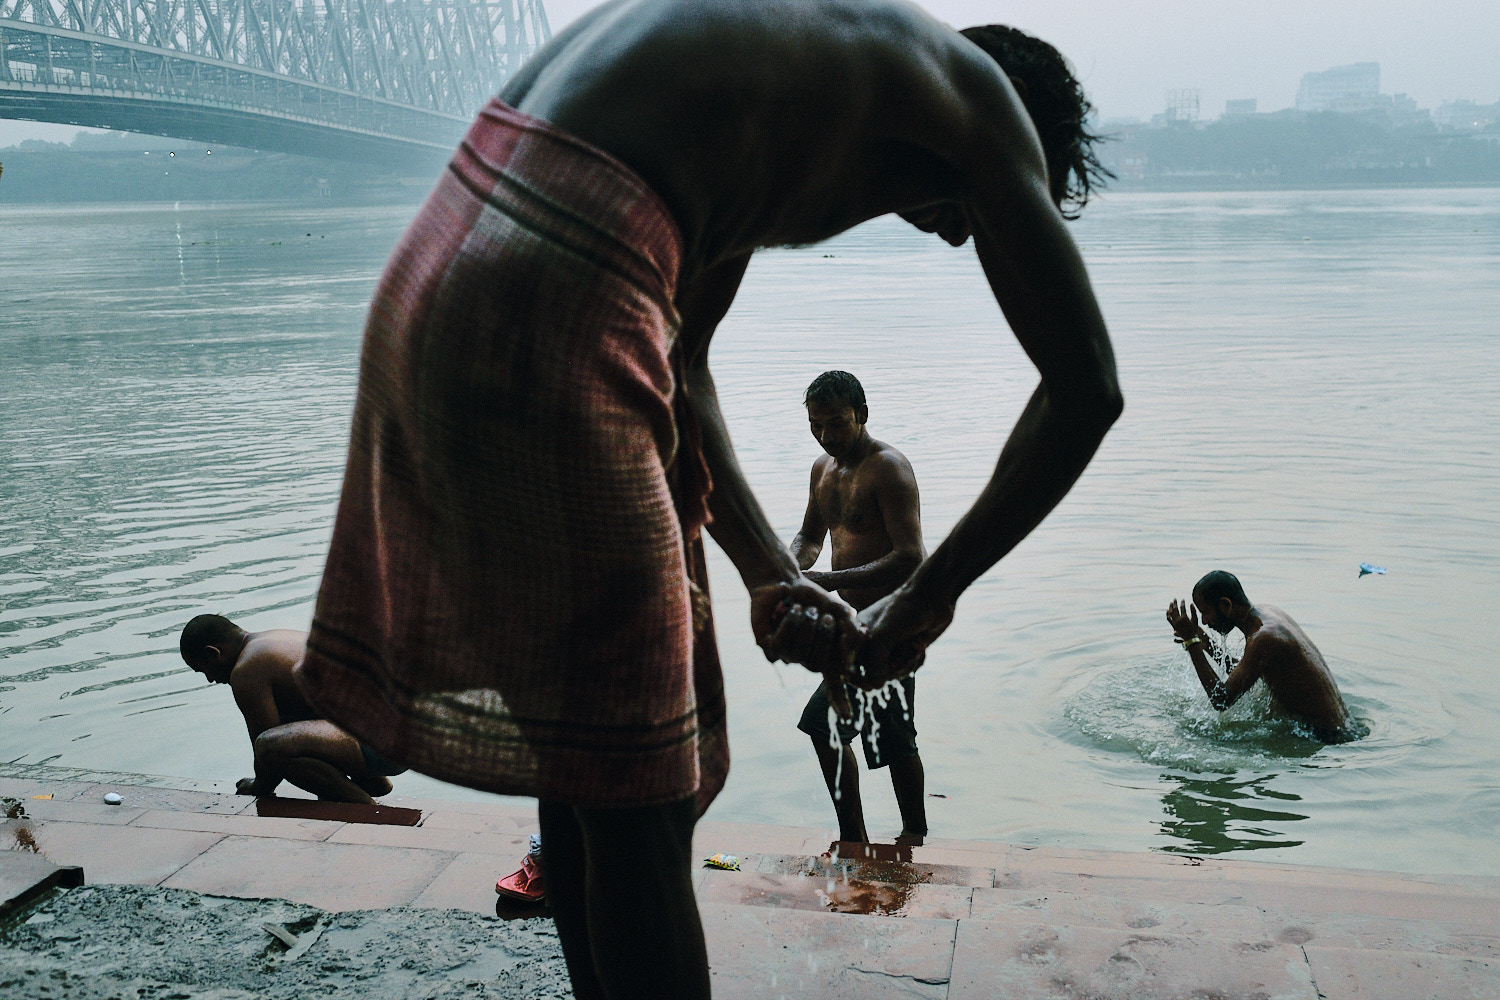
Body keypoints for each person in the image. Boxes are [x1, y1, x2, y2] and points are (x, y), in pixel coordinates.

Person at [294, 3, 1122, 997]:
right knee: (646, 806)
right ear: (1015, 134)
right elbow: (1085, 388)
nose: (961, 239)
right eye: (997, 205)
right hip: (560, 292)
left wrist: (769, 573)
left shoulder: (779, 92)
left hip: (439, 277)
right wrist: (929, 598)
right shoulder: (979, 94)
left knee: (585, 760)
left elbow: (680, 359)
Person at [791, 371, 927, 845]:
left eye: (837, 424)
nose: (826, 436)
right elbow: (810, 537)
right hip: (848, 625)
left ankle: (901, 836)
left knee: (868, 734)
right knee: (856, 731)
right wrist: (791, 565)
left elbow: (911, 558)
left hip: (892, 623)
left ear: (862, 416)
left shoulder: (888, 468)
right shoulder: (821, 470)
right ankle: (867, 837)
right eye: (815, 425)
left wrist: (828, 580)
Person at [179, 615, 405, 803]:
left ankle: (363, 807)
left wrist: (259, 787)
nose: (210, 679)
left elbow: (264, 744)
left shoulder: (246, 670)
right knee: (288, 722)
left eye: (204, 670)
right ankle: (372, 781)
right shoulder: (273, 639)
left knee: (270, 747)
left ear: (213, 653)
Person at [1165, 571, 1359, 743]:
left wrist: (1192, 643)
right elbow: (1244, 672)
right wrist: (1207, 644)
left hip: (1325, 737)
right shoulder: (1267, 614)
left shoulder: (1264, 637)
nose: (1205, 621)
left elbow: (1221, 699)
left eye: (1206, 613)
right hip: (1342, 728)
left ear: (1226, 605)